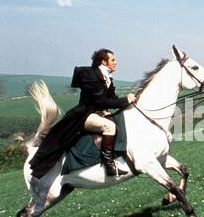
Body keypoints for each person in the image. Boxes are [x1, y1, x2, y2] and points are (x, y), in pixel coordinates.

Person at [29, 49, 137, 178]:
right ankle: (109, 165)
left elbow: (113, 99)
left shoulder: (107, 77)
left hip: (98, 113)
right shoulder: (90, 75)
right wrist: (126, 100)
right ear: (103, 61)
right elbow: (101, 101)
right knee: (110, 126)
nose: (116, 62)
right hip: (84, 116)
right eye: (113, 60)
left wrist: (128, 101)